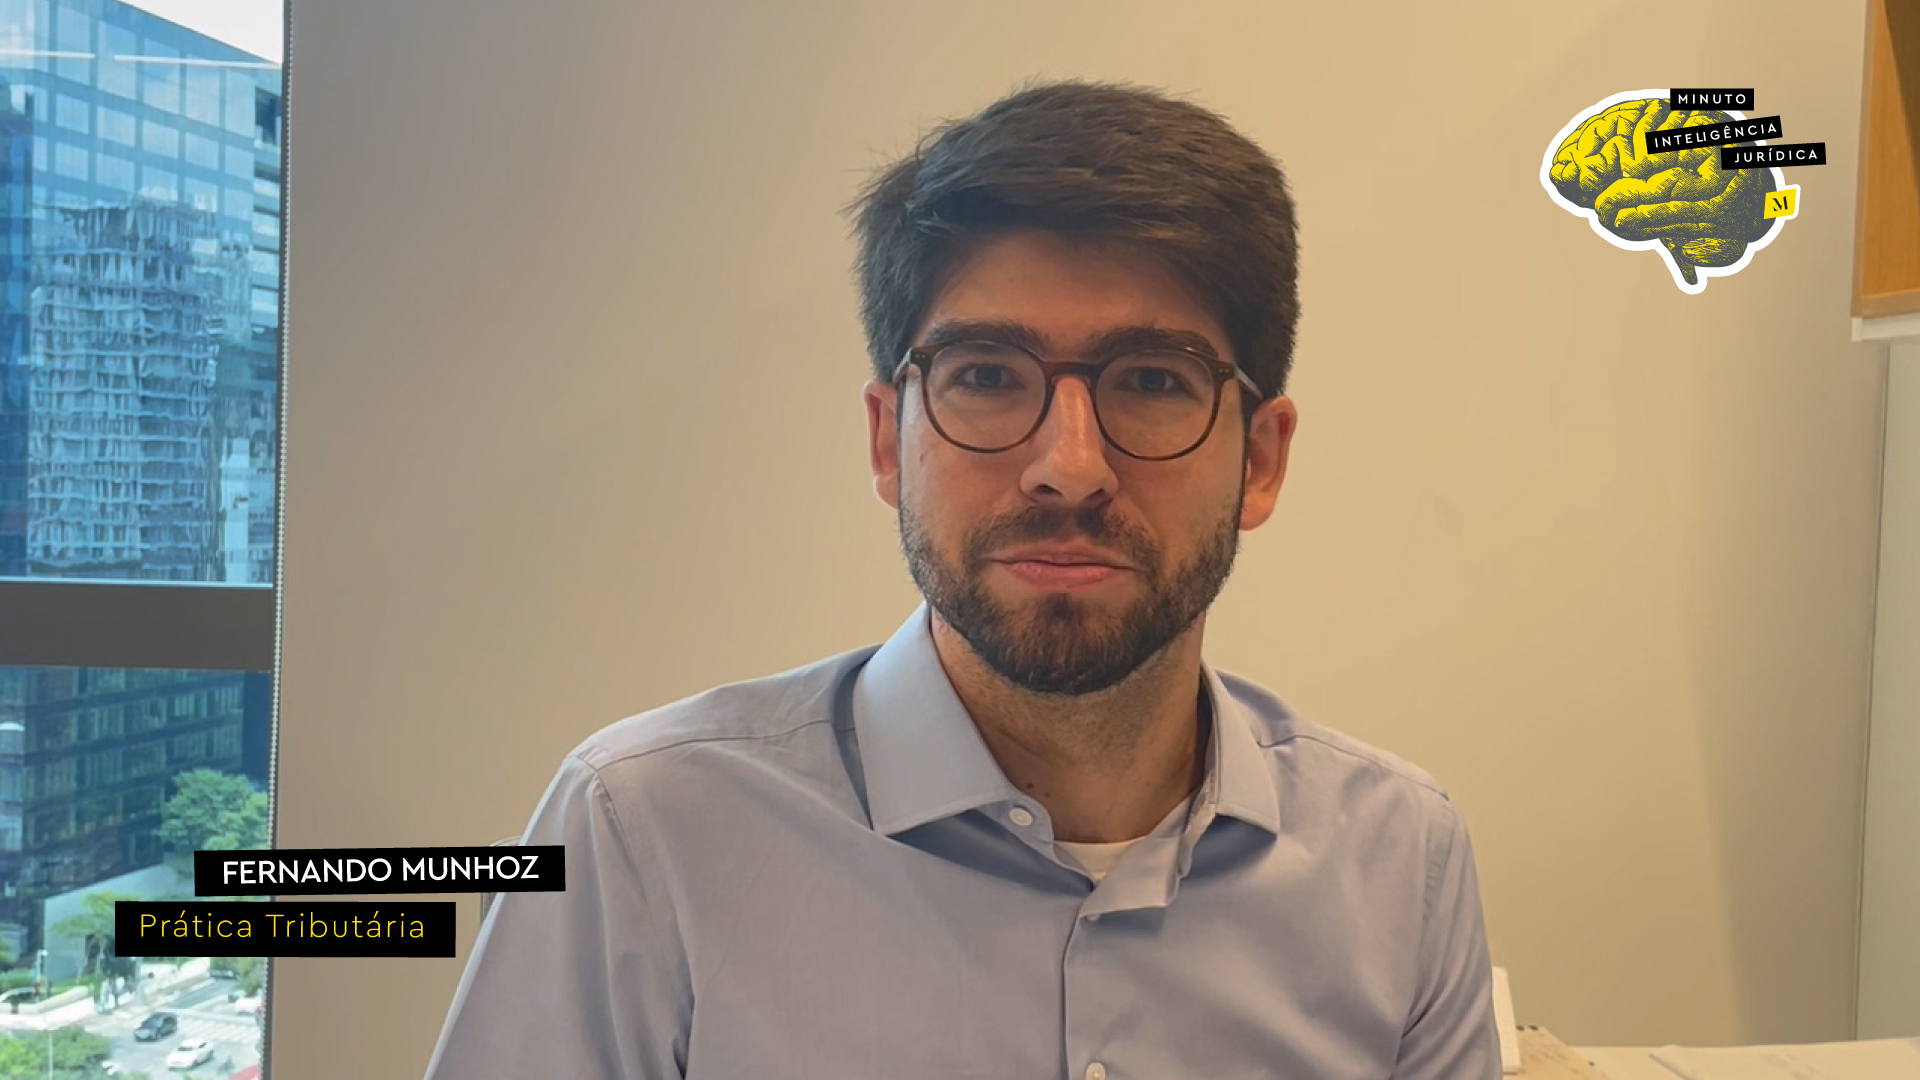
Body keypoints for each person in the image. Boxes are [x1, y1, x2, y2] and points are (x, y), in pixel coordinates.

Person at [424, 80, 1499, 1079]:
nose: (1069, 467)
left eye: (1154, 382)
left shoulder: (1400, 861)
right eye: (986, 376)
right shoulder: (644, 830)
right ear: (889, 442)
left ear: (1261, 459)